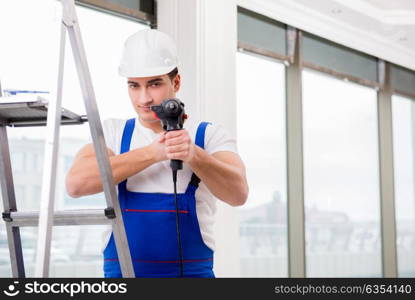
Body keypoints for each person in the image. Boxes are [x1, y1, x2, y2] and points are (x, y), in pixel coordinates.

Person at [65, 29, 249, 278]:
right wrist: (153, 153)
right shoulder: (112, 133)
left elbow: (238, 193)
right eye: (134, 86)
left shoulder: (210, 135)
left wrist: (195, 155)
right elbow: (76, 184)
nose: (144, 98)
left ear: (176, 82)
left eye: (154, 84)